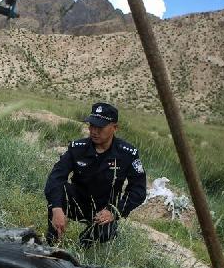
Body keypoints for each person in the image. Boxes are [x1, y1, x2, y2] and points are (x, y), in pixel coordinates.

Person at [44, 102, 147, 247]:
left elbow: (138, 190)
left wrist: (114, 211)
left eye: (100, 127)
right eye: (92, 125)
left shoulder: (127, 154)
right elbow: (56, 178)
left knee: (107, 232)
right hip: (78, 201)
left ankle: (82, 246)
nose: (94, 131)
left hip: (103, 210)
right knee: (59, 193)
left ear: (114, 128)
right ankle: (52, 244)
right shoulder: (77, 149)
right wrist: (56, 208)